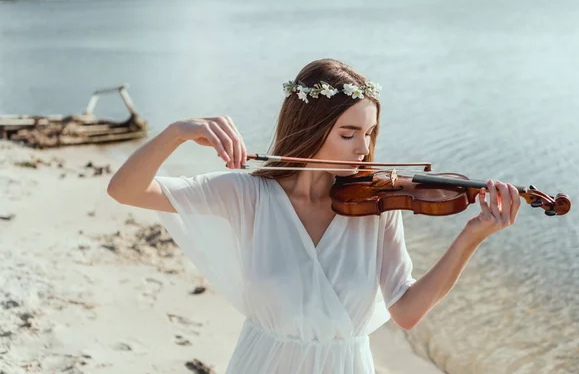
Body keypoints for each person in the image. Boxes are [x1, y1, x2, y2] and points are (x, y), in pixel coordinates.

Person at [107, 58, 521, 373]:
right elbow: (125, 190)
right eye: (348, 133)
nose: (363, 148)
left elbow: (407, 313)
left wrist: (471, 236)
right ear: (310, 128)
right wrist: (176, 132)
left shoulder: (378, 207)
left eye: (370, 132)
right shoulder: (247, 194)